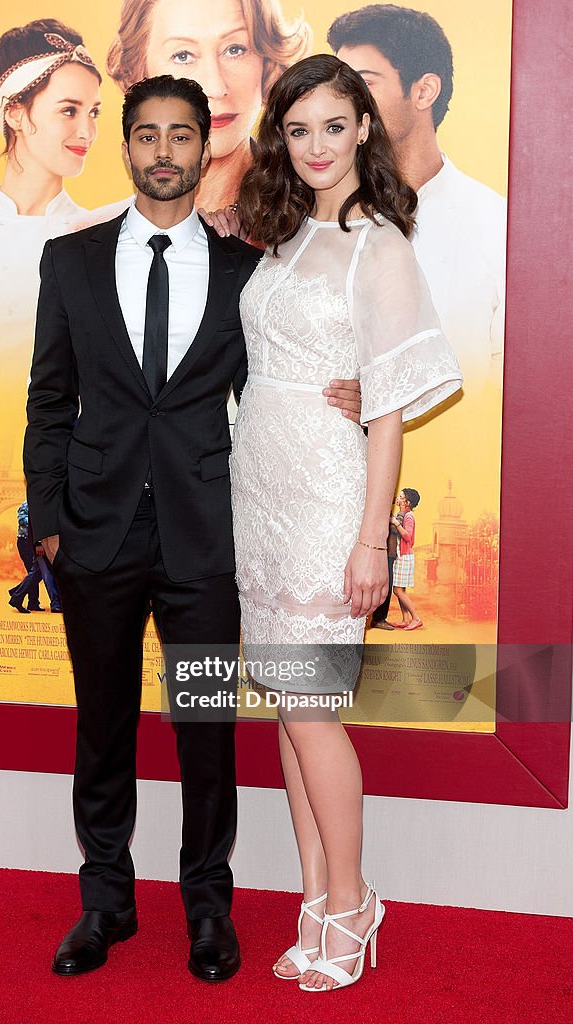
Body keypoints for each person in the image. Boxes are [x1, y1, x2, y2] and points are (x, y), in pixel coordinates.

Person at [23, 73, 362, 982]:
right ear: (126, 145)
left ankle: (208, 911)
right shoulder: (72, 259)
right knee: (103, 729)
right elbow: (49, 401)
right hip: (93, 537)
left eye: (181, 136)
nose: (164, 152)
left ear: (201, 148)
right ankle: (105, 904)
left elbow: (283, 389)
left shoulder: (247, 271)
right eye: (147, 136)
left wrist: (365, 397)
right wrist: (49, 522)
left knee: (204, 731)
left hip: (208, 541)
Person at [230, 54, 462, 990]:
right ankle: (317, 895)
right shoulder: (281, 238)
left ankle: (352, 902)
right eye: (298, 130)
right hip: (260, 498)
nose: (317, 145)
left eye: (334, 125)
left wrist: (372, 539)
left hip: (330, 507)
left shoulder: (380, 244)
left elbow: (394, 404)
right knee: (292, 716)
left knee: (313, 717)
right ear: (280, 140)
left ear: (364, 127)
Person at [0, 20, 102, 522]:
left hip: (80, 480)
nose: (87, 131)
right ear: (15, 111)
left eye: (94, 112)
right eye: (69, 111)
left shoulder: (105, 234)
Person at [327, 4, 507, 387]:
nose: (345, 102)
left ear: (424, 90)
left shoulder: (498, 226)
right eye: (340, 86)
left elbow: (507, 387)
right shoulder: (317, 213)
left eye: (364, 84)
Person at [85, 0, 310, 225]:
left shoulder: (306, 217)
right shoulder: (89, 238)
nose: (215, 87)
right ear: (139, 71)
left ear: (267, 61)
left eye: (235, 50)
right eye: (183, 56)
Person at [391, 487, 421, 629]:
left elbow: (408, 537)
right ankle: (405, 619)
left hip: (405, 556)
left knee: (397, 590)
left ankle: (416, 618)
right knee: (400, 591)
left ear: (407, 502)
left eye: (401, 496)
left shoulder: (409, 516)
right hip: (401, 555)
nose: (399, 498)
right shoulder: (402, 514)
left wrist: (395, 523)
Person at [369, 513, 401, 629]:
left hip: (388, 555)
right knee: (384, 586)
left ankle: (379, 618)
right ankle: (378, 619)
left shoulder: (392, 515)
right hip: (384, 554)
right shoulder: (385, 514)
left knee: (385, 586)